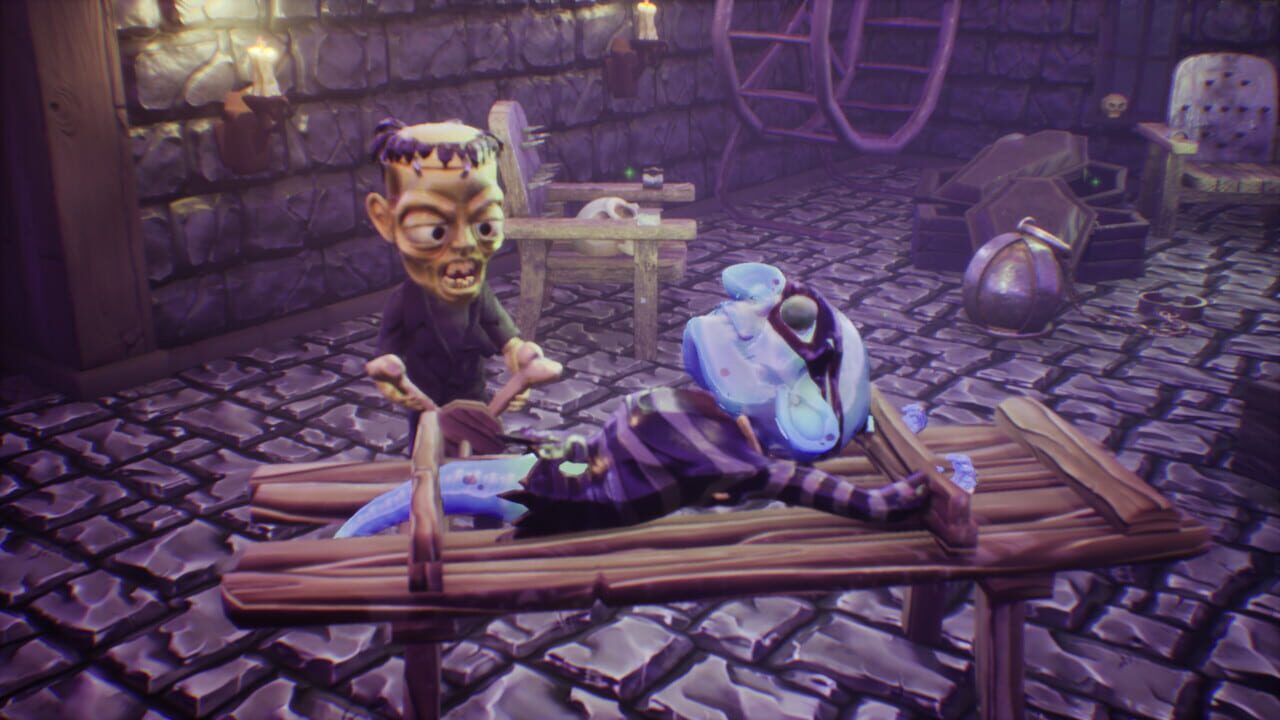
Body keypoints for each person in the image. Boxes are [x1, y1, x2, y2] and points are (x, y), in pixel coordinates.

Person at [363, 117, 546, 446]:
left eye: (485, 225)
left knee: (481, 457)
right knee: (427, 461)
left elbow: (509, 341)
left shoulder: (479, 297)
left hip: (475, 406)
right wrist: (390, 376)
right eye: (433, 230)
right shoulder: (404, 302)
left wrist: (522, 359)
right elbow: (386, 360)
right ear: (385, 219)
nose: (464, 244)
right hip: (427, 412)